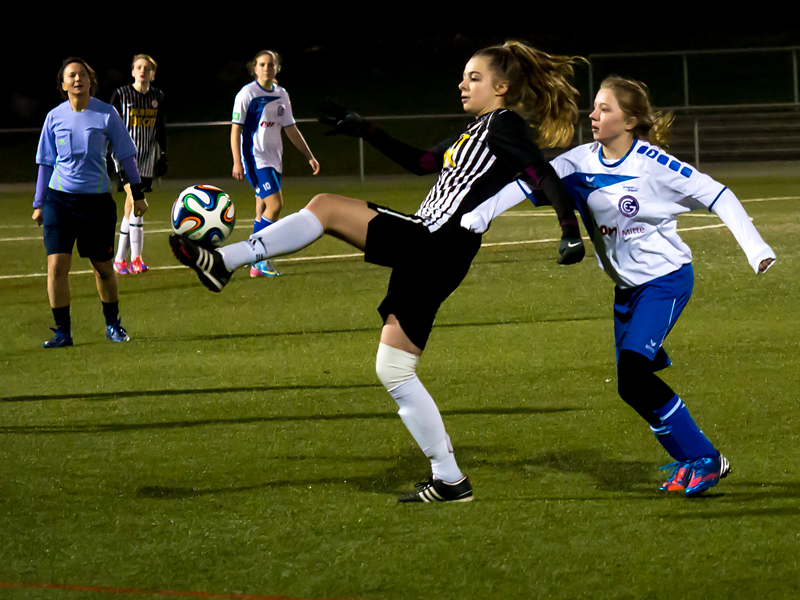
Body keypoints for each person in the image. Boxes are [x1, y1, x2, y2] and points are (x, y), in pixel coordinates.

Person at [170, 41, 586, 502]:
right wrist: (364, 129)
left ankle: (225, 262)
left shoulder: (505, 124)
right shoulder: (474, 131)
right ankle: (451, 480)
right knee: (395, 368)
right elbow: (422, 163)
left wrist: (570, 230)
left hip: (434, 239)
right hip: (435, 250)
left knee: (325, 207)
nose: (463, 84)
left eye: (475, 77)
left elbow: (542, 173)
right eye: (463, 76)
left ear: (502, 88)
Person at [485, 75, 776, 496]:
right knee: (629, 386)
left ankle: (705, 459)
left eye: (605, 109)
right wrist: (473, 219)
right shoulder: (579, 161)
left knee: (636, 376)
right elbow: (527, 184)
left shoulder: (653, 165)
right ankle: (691, 458)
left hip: (666, 280)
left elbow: (719, 194)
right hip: (626, 291)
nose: (594, 115)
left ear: (631, 119)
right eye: (594, 107)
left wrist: (756, 249)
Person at [32, 57, 148, 348]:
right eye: (71, 75)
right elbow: (45, 163)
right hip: (59, 201)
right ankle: (63, 332)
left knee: (104, 269)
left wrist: (138, 193)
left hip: (95, 203)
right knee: (57, 267)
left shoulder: (106, 114)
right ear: (63, 84)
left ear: (90, 81)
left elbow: (125, 156)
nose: (77, 79)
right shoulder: (54, 117)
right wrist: (39, 202)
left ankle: (113, 325)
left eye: (82, 74)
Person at [230, 49, 320, 277]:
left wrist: (308, 155)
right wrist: (237, 161)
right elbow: (235, 130)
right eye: (262, 64)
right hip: (254, 158)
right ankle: (260, 258)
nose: (266, 68)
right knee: (275, 205)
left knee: (262, 207)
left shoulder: (281, 94)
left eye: (271, 65)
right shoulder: (247, 94)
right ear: (254, 68)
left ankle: (254, 261)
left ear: (276, 68)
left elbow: (291, 128)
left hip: (274, 159)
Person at [111, 53, 167, 275]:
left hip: (146, 157)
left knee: (131, 207)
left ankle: (119, 260)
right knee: (137, 202)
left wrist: (163, 154)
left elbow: (160, 127)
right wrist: (107, 152)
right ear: (133, 72)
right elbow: (109, 124)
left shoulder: (158, 96)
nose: (142, 71)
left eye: (147, 68)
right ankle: (136, 258)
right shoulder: (121, 95)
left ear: (152, 74)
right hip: (124, 156)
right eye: (138, 67)